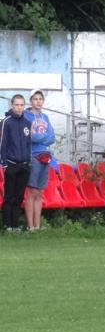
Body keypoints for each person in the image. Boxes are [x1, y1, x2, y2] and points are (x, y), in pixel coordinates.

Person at [23, 89, 56, 231]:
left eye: (40, 99)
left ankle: (37, 225)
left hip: (45, 156)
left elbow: (52, 137)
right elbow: (31, 137)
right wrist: (43, 136)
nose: (38, 101)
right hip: (32, 156)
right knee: (31, 192)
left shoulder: (45, 117)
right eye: (35, 99)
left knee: (40, 192)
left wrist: (40, 136)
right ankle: (30, 225)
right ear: (31, 101)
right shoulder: (26, 116)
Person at [1, 94, 32, 231]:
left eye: (21, 105)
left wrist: (28, 161)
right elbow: (2, 144)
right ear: (12, 105)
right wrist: (5, 163)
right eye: (16, 105)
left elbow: (28, 143)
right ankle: (7, 225)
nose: (19, 108)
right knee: (9, 196)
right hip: (11, 164)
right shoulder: (6, 122)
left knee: (19, 196)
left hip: (24, 165)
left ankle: (16, 225)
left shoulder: (27, 123)